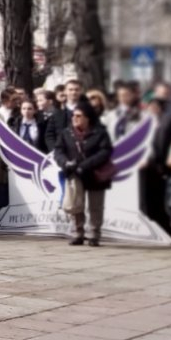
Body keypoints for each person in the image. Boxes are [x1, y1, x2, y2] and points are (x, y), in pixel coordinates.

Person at [55, 103, 113, 246]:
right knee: (76, 205)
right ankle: (77, 233)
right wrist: (65, 163)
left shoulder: (100, 132)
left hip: (95, 174)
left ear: (88, 118)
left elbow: (105, 151)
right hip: (74, 174)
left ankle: (94, 235)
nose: (75, 118)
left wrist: (85, 165)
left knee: (95, 206)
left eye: (79, 116)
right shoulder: (66, 132)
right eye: (74, 115)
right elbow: (58, 150)